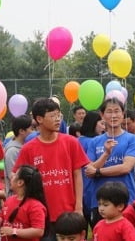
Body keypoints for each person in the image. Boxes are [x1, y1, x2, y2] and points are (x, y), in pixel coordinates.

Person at [13, 98, 89, 239]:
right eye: (53, 116)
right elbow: (18, 179)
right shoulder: (28, 149)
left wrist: (78, 207)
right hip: (42, 216)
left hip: (68, 214)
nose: (57, 119)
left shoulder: (71, 142)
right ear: (39, 119)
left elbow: (78, 175)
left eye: (58, 115)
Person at [85, 98, 135, 228]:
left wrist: (98, 172)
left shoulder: (132, 139)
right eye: (109, 112)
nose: (114, 115)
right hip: (100, 202)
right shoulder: (94, 142)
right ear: (102, 115)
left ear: (123, 114)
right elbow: (89, 171)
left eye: (117, 111)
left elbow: (126, 167)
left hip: (126, 200)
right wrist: (106, 154)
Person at [0, 165, 47, 241]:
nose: (11, 177)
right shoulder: (9, 200)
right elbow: (3, 219)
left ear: (20, 182)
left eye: (15, 175)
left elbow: (38, 231)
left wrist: (13, 231)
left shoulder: (35, 206)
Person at [4, 114, 33, 197]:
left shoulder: (25, 147)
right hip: (17, 196)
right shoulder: (12, 151)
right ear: (21, 131)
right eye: (31, 128)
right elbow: (13, 176)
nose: (33, 132)